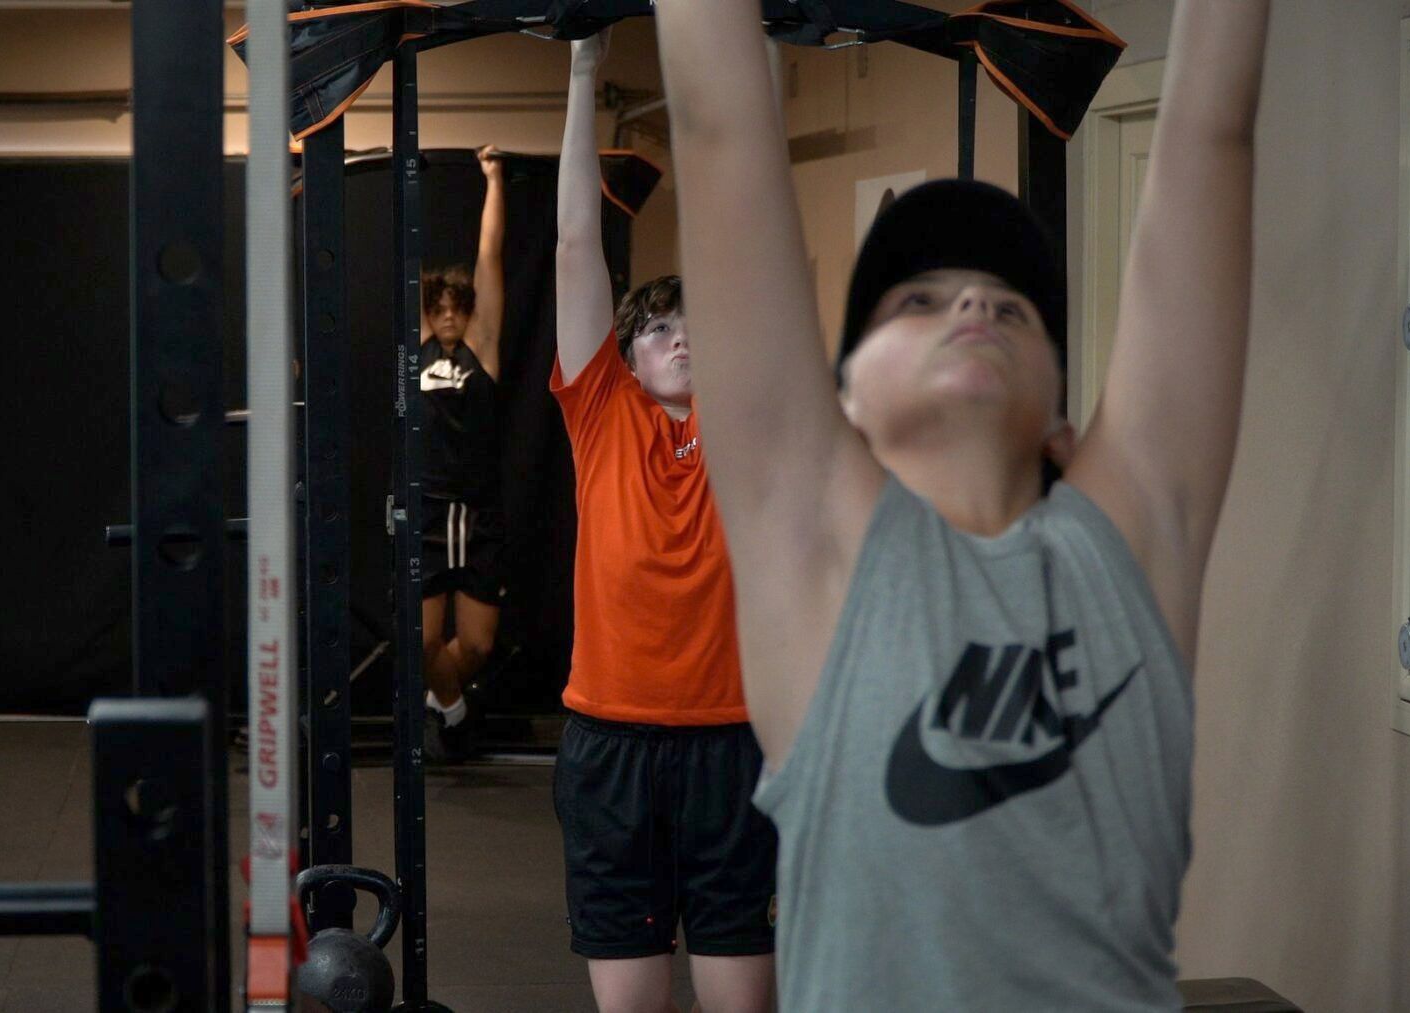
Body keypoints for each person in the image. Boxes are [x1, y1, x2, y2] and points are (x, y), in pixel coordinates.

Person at [653, 1, 1267, 1009]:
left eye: (1012, 308)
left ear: (1063, 421)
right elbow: (717, 121)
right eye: (919, 301)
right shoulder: (817, 545)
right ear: (844, 400)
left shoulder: (1124, 549)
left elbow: (1212, 129)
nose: (976, 303)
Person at [549, 33, 775, 1013]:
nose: (679, 340)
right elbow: (574, 245)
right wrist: (582, 70)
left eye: (694, 327)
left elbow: (756, 242)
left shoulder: (751, 418)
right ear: (627, 355)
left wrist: (750, 61)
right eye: (655, 330)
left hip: (734, 741)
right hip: (613, 742)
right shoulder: (602, 411)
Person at [419, 146, 507, 763]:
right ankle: (450, 709)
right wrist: (405, 175)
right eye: (439, 308)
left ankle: (442, 700)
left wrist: (493, 179)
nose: (449, 315)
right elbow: (407, 265)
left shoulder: (483, 349)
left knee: (475, 647)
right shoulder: (418, 349)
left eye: (458, 307)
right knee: (421, 643)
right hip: (426, 511)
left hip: (477, 514)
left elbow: (488, 258)